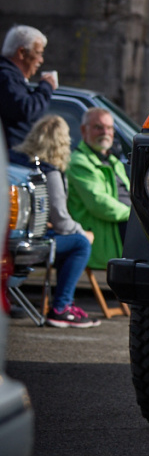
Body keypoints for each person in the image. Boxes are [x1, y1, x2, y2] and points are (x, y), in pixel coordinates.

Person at [13, 115, 100, 328]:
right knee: (79, 243)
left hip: (10, 234)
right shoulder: (48, 171)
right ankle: (61, 308)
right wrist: (83, 232)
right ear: (63, 142)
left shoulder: (14, 160)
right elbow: (61, 220)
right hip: (24, 242)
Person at [66, 107, 132, 271]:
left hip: (126, 226)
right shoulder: (78, 162)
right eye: (98, 127)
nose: (105, 132)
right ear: (84, 130)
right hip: (105, 238)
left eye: (109, 128)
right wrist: (135, 215)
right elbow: (99, 204)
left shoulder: (114, 162)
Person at [1, 24, 59, 153]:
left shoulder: (11, 77)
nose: (41, 60)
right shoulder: (6, 77)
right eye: (38, 53)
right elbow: (26, 109)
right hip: (11, 157)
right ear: (21, 52)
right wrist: (46, 87)